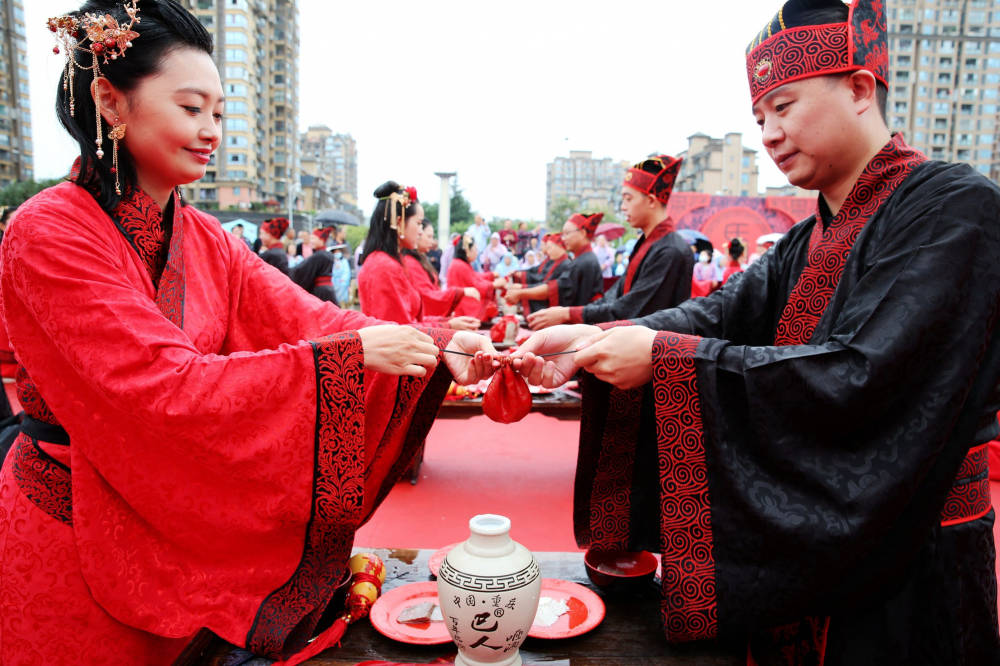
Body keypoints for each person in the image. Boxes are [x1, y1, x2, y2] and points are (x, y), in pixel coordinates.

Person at [0, 4, 496, 663]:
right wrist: (347, 358)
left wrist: (438, 346)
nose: (211, 131)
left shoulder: (205, 236)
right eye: (191, 108)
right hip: (72, 530)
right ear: (110, 102)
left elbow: (313, 321)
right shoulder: (48, 232)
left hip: (173, 522)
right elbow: (156, 384)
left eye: (219, 114)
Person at [515, 1, 1000, 663]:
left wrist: (659, 355)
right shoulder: (806, 238)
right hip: (823, 546)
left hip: (916, 551)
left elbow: (868, 375)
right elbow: (713, 318)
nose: (769, 132)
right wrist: (584, 345)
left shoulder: (953, 206)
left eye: (785, 105)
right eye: (759, 115)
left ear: (859, 88)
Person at [526, 155, 692, 330]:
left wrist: (568, 314)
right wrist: (568, 314)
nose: (622, 207)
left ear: (651, 200)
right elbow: (614, 298)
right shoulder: (647, 243)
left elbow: (631, 310)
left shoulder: (670, 250)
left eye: (628, 199)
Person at [358, 182, 478, 331]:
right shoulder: (384, 266)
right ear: (399, 222)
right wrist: (447, 324)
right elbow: (399, 331)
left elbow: (407, 321)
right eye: (419, 223)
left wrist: (447, 322)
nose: (420, 232)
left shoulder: (387, 261)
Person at [504, 212, 604, 312]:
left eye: (567, 233)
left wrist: (521, 291)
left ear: (582, 233)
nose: (563, 239)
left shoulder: (582, 261)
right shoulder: (582, 259)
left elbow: (556, 289)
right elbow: (544, 279)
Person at [402, 218, 480, 319]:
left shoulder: (419, 259)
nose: (432, 240)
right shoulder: (411, 262)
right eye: (429, 236)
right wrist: (459, 292)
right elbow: (426, 296)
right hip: (437, 312)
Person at [505, 232, 571, 314]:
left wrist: (523, 287)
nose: (547, 250)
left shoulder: (565, 264)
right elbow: (536, 272)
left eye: (548, 247)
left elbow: (546, 284)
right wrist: (520, 274)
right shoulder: (553, 261)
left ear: (559, 246)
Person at [446, 234, 501, 320]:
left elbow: (475, 277)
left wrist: (491, 275)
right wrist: (493, 284)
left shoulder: (460, 263)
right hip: (462, 308)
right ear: (467, 251)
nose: (477, 252)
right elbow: (476, 285)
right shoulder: (460, 265)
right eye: (475, 249)